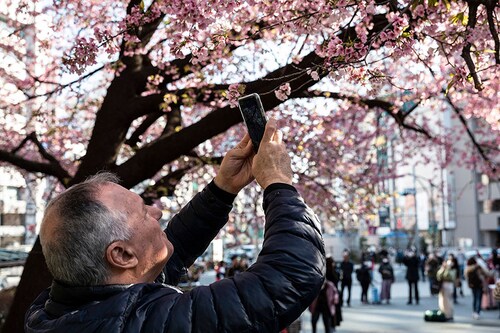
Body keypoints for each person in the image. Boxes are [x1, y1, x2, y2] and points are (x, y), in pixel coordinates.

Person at [25, 119, 326, 332]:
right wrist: (278, 184)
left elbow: (161, 256)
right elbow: (290, 275)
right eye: (143, 213)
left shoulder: (64, 309)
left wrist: (222, 189)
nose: (156, 211)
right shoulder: (151, 323)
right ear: (121, 255)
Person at [325, 256, 342, 328]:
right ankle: (333, 323)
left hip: (327, 294)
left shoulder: (325, 272)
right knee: (333, 309)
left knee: (329, 310)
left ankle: (331, 324)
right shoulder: (334, 272)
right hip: (333, 293)